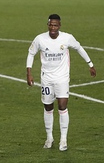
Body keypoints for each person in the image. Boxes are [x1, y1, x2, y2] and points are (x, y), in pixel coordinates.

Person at [26, 14, 96, 151]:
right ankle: (49, 137)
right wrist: (29, 73)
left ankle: (63, 139)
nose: (53, 27)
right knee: (48, 107)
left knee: (62, 106)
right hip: (46, 78)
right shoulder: (40, 39)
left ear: (60, 26)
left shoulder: (67, 38)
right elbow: (31, 54)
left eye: (55, 25)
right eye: (51, 25)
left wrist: (90, 64)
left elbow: (79, 48)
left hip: (62, 78)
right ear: (48, 25)